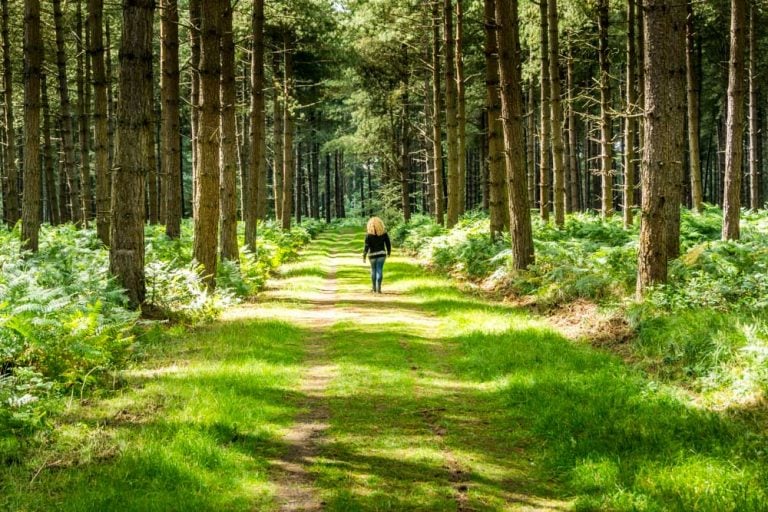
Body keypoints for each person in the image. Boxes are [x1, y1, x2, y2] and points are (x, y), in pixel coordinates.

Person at [363, 216, 391, 293]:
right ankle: (379, 288)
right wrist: (389, 252)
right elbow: (388, 244)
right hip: (381, 254)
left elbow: (366, 246)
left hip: (372, 255)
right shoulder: (384, 233)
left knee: (373, 270)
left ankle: (374, 288)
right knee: (379, 270)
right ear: (380, 224)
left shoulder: (368, 235)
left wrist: (364, 255)